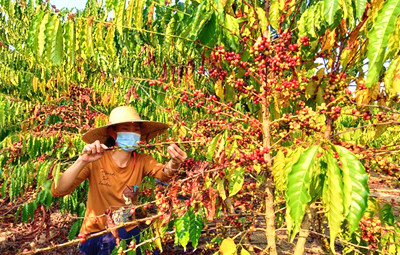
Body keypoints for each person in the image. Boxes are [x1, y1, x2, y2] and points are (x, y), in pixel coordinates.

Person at [51, 106, 187, 255]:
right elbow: (59, 190)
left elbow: (164, 173)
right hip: (96, 232)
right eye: (126, 128)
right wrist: (82, 160)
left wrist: (174, 162)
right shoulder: (96, 160)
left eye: (136, 129)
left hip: (127, 227)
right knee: (110, 243)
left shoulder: (142, 161)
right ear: (112, 133)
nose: (132, 133)